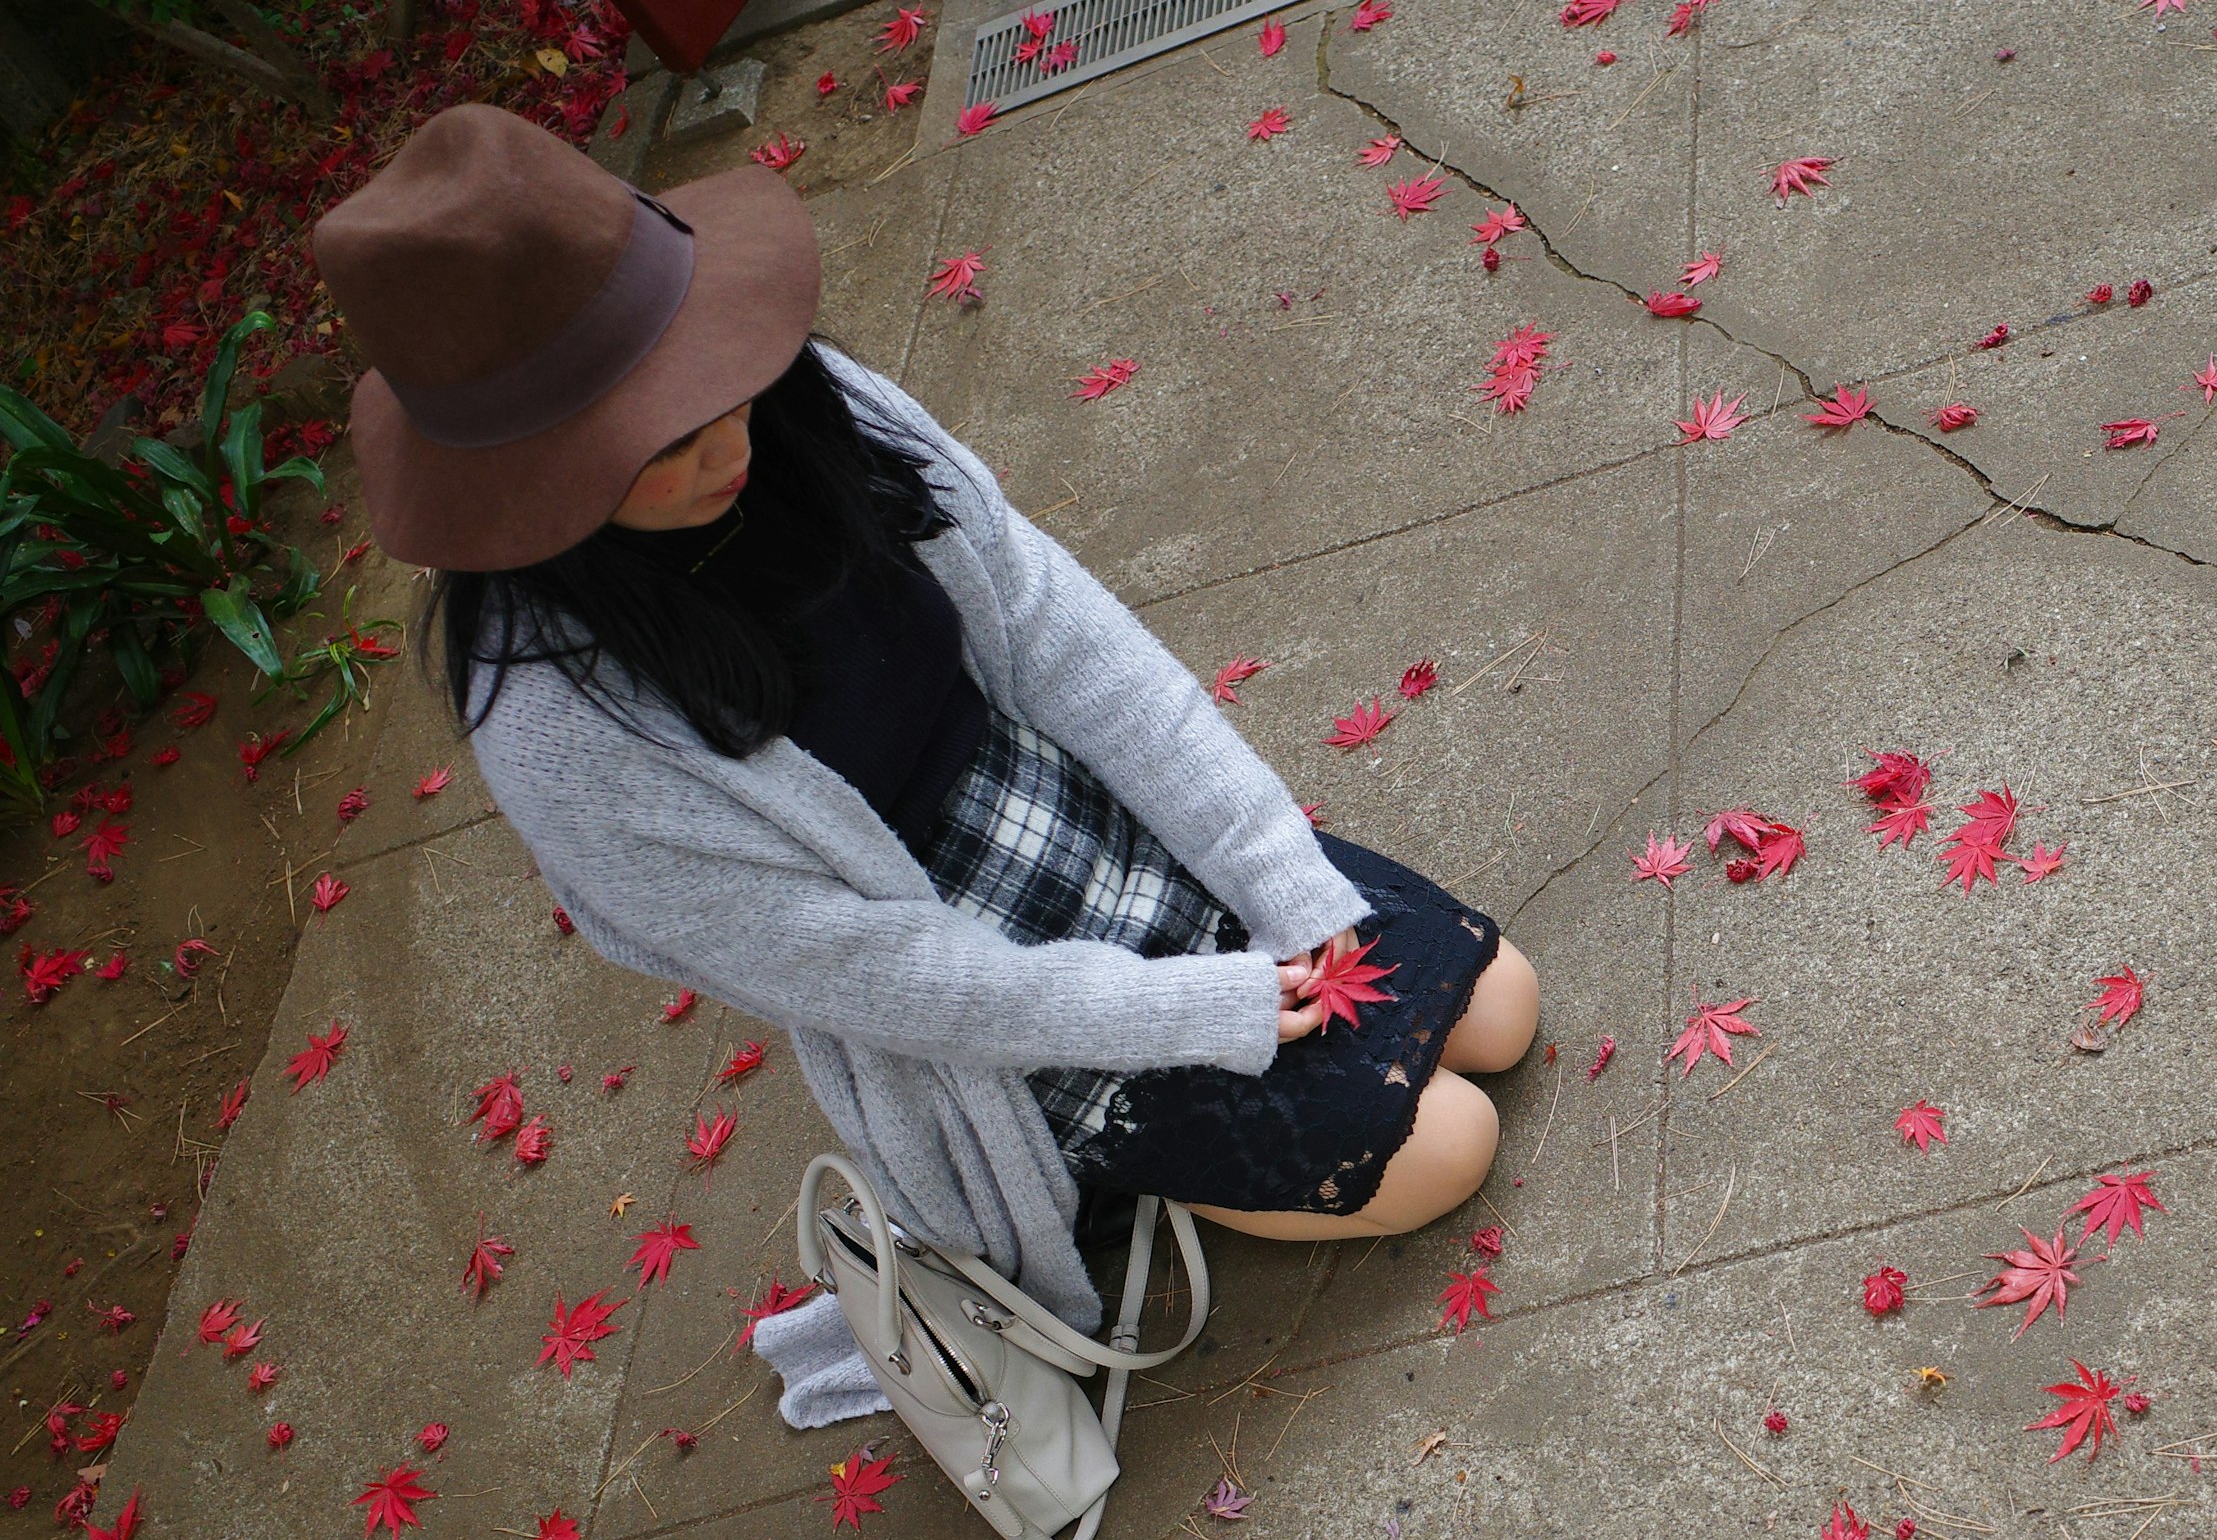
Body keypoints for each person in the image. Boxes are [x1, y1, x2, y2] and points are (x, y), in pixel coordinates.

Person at [310, 104, 1534, 1369]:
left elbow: (1068, 642)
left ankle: (1232, 1086)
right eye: (660, 439)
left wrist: (1271, 869)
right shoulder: (561, 720)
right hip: (984, 996)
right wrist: (1192, 1008)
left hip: (1078, 819)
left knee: (1502, 1005)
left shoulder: (803, 400)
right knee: (1446, 1145)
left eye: (717, 378)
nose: (727, 441)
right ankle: (1111, 1164)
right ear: (534, 480)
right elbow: (879, 973)